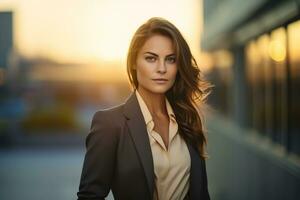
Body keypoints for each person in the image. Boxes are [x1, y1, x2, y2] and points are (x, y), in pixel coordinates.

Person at [77, 17, 212, 200]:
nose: (162, 68)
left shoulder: (188, 119)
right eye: (151, 58)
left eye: (171, 59)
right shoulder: (110, 124)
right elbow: (89, 196)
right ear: (134, 62)